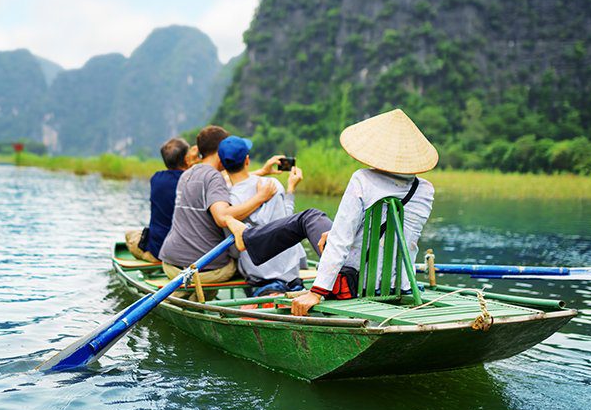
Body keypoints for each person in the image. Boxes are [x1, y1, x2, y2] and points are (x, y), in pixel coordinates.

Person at [226, 109, 437, 316]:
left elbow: (341, 241)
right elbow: (394, 235)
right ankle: (247, 238)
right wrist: (336, 231)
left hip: (354, 282)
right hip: (398, 283)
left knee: (308, 217)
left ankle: (246, 238)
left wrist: (317, 291)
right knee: (321, 224)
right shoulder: (425, 190)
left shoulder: (363, 179)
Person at [157, 125, 279, 295]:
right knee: (248, 263)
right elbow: (222, 217)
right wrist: (260, 198)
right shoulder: (214, 177)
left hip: (170, 263)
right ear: (220, 149)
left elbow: (223, 182)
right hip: (202, 270)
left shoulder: (189, 173)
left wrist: (262, 172)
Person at [219, 136, 307, 297]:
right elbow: (288, 223)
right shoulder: (271, 185)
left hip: (257, 275)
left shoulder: (223, 199)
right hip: (289, 273)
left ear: (222, 164)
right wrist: (291, 189)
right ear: (247, 160)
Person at [125, 137, 191, 262]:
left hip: (158, 249)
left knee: (130, 234)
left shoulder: (156, 178)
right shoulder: (192, 181)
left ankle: (148, 256)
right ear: (186, 159)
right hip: (184, 250)